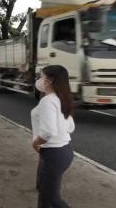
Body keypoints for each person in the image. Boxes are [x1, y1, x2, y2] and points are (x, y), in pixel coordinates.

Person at [31, 65, 75, 208]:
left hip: (53, 154)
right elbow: (70, 127)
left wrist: (35, 143)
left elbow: (48, 132)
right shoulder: (61, 98)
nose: (39, 80)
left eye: (41, 76)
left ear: (49, 80)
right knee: (43, 192)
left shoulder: (48, 101)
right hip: (63, 151)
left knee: (52, 199)